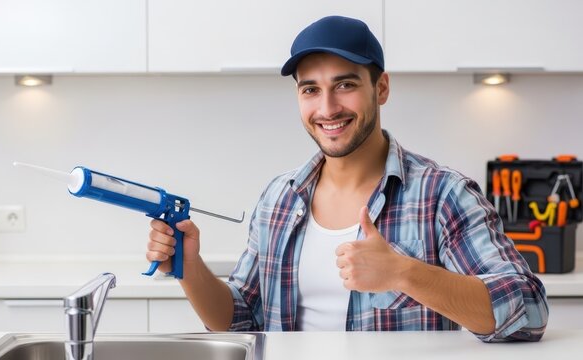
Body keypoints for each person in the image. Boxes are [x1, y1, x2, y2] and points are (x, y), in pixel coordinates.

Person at [146, 15, 548, 342]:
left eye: (345, 85)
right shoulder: (279, 197)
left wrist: (403, 272)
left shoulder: (442, 194)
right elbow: (239, 320)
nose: (328, 107)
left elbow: (528, 311)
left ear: (382, 88)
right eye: (310, 90)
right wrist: (190, 266)